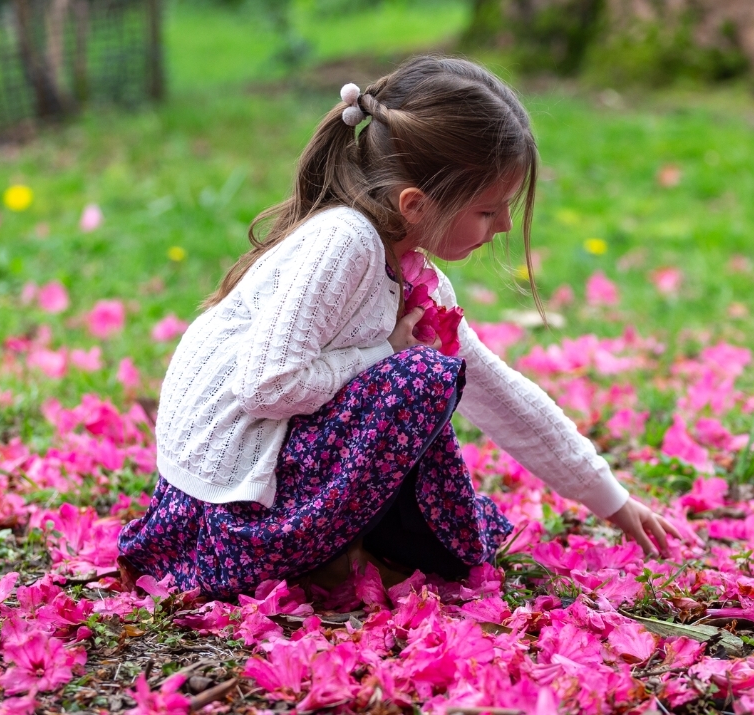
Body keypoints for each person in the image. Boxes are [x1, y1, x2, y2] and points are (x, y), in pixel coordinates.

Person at [117, 55, 681, 601]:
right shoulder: (343, 242)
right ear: (415, 204)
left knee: (434, 373)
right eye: (489, 210)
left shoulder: (413, 273)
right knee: (418, 376)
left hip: (264, 486)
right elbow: (265, 384)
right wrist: (381, 354)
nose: (505, 225)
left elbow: (495, 391)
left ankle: (351, 551)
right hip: (223, 512)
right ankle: (332, 562)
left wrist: (609, 497)